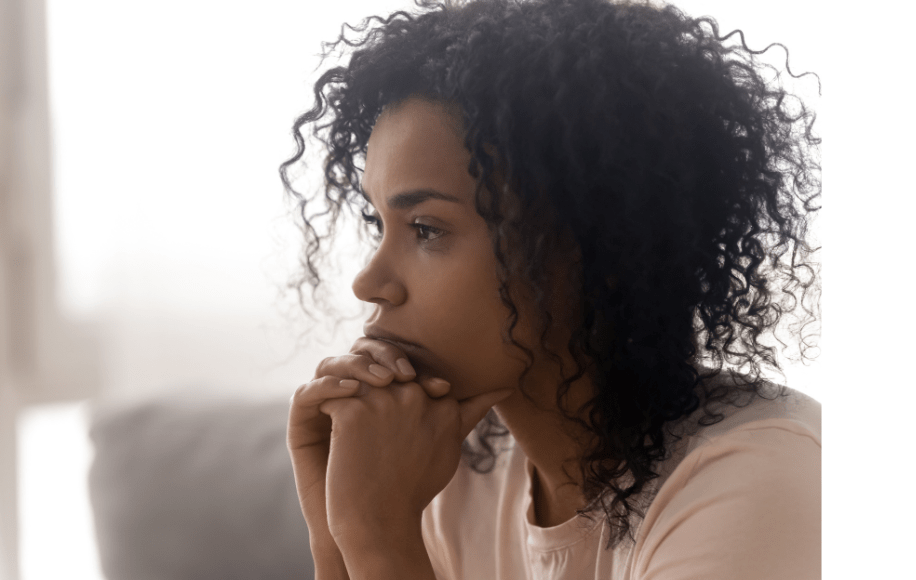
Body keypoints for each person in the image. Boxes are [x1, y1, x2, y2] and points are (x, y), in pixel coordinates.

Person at [279, 0, 821, 578]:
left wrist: (378, 535)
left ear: (597, 242)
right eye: (378, 225)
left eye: (426, 229)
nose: (370, 283)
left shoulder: (760, 478)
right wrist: (334, 530)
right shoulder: (446, 470)